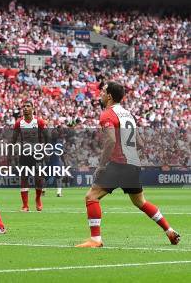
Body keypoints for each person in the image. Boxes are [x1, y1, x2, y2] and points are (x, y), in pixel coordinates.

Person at [76, 82, 180, 248]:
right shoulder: (128, 114)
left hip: (118, 164)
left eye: (103, 91)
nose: (100, 94)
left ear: (109, 96)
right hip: (133, 164)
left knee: (91, 197)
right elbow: (140, 143)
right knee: (141, 202)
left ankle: (95, 239)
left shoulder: (107, 114)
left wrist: (102, 165)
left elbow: (110, 140)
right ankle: (169, 230)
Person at [11, 101, 47, 212]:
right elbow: (13, 139)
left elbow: (45, 137)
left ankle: (38, 199)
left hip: (37, 153)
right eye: (24, 106)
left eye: (28, 106)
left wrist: (44, 149)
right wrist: (12, 152)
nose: (25, 108)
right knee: (24, 178)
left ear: (33, 108)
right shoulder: (19, 123)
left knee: (39, 178)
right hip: (24, 154)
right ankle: (25, 205)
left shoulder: (39, 122)